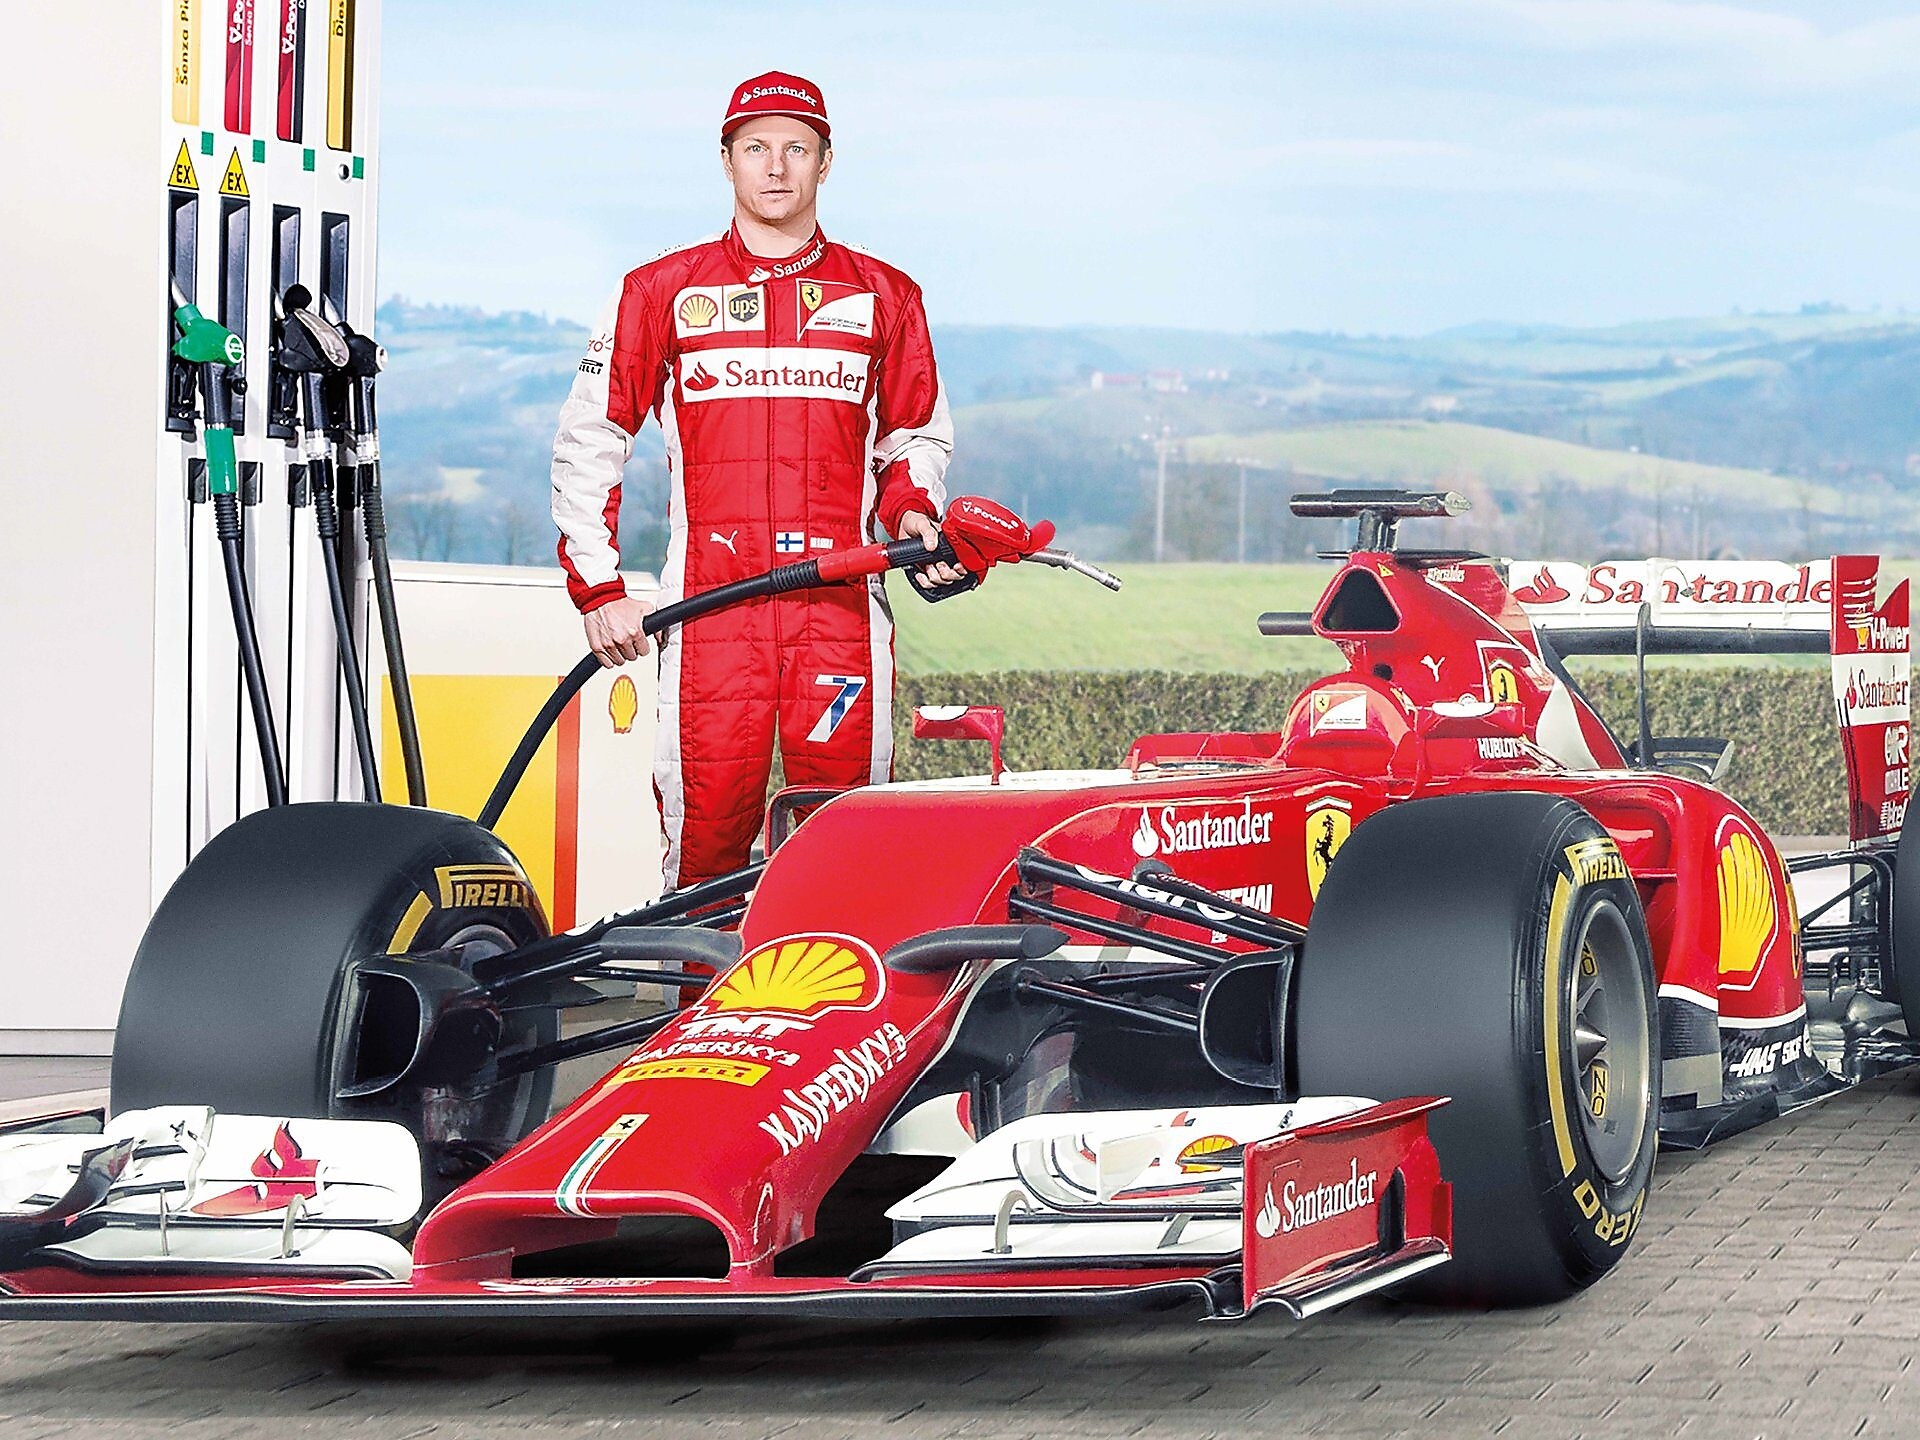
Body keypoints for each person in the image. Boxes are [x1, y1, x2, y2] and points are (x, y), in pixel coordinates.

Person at [551, 71, 959, 890]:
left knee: (844, 842)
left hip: (839, 606)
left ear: (826, 161)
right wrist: (600, 588)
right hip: (712, 613)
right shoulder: (659, 290)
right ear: (728, 161)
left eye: (796, 149)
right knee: (703, 850)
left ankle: (839, 1012)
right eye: (756, 149)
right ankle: (695, 1013)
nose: (776, 168)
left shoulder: (887, 295)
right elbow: (591, 440)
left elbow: (911, 438)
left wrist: (915, 513)